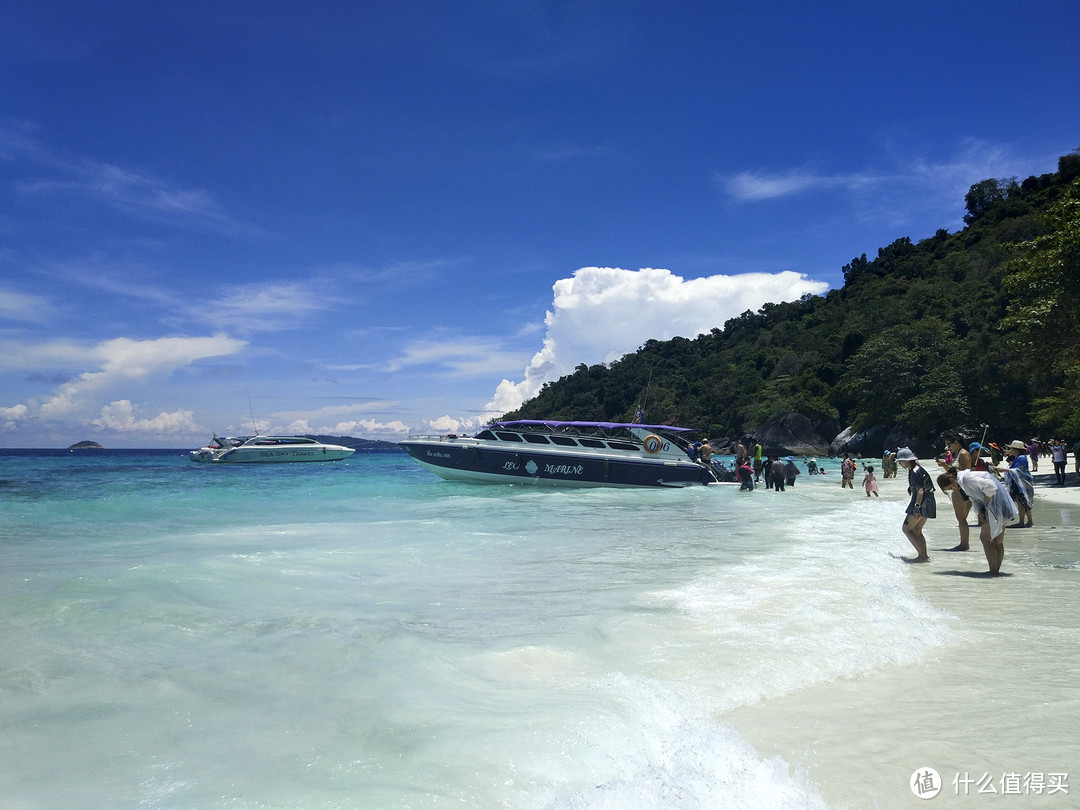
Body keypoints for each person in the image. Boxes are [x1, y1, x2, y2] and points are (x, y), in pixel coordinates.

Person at [938, 468, 1017, 575]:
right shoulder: (964, 480)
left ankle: (993, 571)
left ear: (952, 479)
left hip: (995, 506)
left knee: (985, 539)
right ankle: (995, 571)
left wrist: (985, 505)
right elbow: (974, 498)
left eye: (951, 487)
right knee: (997, 541)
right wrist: (980, 509)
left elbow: (991, 487)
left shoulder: (967, 479)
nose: (954, 490)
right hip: (1001, 504)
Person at [896, 447, 935, 562]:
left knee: (906, 529)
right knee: (917, 530)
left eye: (900, 461)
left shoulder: (914, 471)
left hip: (921, 501)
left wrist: (917, 507)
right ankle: (924, 556)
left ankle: (922, 556)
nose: (900, 464)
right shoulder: (917, 468)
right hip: (929, 500)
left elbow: (920, 491)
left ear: (907, 460)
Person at [938, 433, 972, 551]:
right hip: (960, 486)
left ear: (956, 443)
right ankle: (963, 542)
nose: (949, 447)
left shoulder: (962, 453)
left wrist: (945, 465)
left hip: (960, 487)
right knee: (961, 517)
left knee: (961, 517)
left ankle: (964, 544)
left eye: (949, 444)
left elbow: (960, 472)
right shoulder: (960, 453)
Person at [1000, 440, 1035, 527]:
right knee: (1025, 501)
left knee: (1020, 502)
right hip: (1021, 482)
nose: (1010, 450)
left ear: (1016, 450)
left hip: (1020, 483)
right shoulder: (1019, 457)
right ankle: (1029, 521)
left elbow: (1017, 470)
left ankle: (1021, 522)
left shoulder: (1021, 458)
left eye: (1011, 449)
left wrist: (1002, 469)